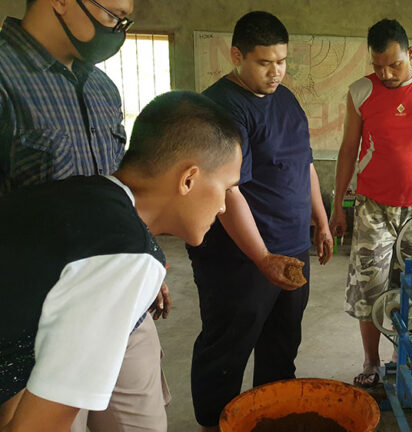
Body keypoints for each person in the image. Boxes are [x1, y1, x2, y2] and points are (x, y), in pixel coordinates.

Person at [0, 91, 243, 432]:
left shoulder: (85, 192)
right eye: (226, 188)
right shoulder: (128, 255)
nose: (223, 207)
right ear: (188, 179)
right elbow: (37, 425)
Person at [0, 1, 174, 431]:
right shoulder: (6, 79)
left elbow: (121, 189)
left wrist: (145, 262)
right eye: (112, 14)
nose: (118, 29)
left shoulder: (102, 87)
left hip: (123, 305)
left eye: (124, 19)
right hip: (39, 324)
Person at [186, 12, 333, 431]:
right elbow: (228, 193)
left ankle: (271, 419)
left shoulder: (286, 100)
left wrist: (320, 222)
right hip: (238, 258)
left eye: (282, 61)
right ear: (237, 56)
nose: (275, 72)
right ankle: (214, 424)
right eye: (264, 62)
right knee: (227, 347)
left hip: (291, 247)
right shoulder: (219, 108)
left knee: (282, 343)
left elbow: (304, 164)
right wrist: (262, 257)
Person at [329, 18, 412, 388]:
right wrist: (338, 206)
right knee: (369, 287)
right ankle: (371, 362)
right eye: (378, 66)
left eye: (394, 64)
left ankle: (402, 355)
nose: (386, 74)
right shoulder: (361, 91)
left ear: (411, 53)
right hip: (372, 207)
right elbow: (348, 150)